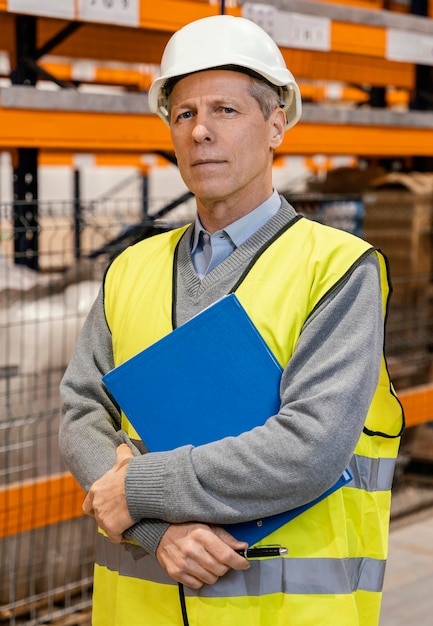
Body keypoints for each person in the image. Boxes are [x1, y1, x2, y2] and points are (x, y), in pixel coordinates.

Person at [59, 14, 404, 626]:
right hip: (142, 611)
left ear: (276, 126)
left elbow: (309, 447)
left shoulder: (338, 269)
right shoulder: (130, 269)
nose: (200, 133)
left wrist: (136, 488)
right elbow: (83, 413)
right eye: (184, 114)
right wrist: (157, 531)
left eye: (225, 110)